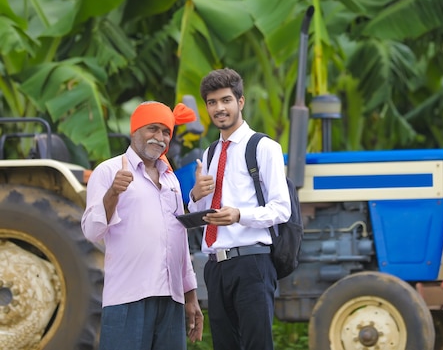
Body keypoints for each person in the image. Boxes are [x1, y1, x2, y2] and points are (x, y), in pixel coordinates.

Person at [81, 101, 204, 350]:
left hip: (171, 299)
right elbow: (92, 232)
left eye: (166, 132)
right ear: (134, 130)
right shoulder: (108, 171)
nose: (159, 138)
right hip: (128, 298)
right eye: (153, 129)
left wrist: (191, 295)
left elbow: (179, 239)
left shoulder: (171, 179)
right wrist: (114, 192)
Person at [188, 68, 291, 350]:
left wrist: (239, 215)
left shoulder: (263, 147)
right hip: (215, 267)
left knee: (257, 345)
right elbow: (204, 209)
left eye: (225, 100)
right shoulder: (209, 154)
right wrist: (195, 195)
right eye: (212, 102)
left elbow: (282, 209)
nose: (219, 108)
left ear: (240, 102)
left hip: (252, 263)